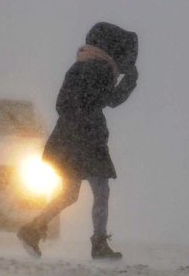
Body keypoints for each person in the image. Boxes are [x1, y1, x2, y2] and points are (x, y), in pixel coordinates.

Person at [18, 22, 138, 260]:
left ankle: (32, 229)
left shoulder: (79, 66)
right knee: (101, 190)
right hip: (88, 139)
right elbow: (111, 100)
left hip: (68, 137)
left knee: (69, 193)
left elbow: (62, 103)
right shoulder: (102, 69)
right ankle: (99, 244)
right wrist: (130, 81)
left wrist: (77, 120)